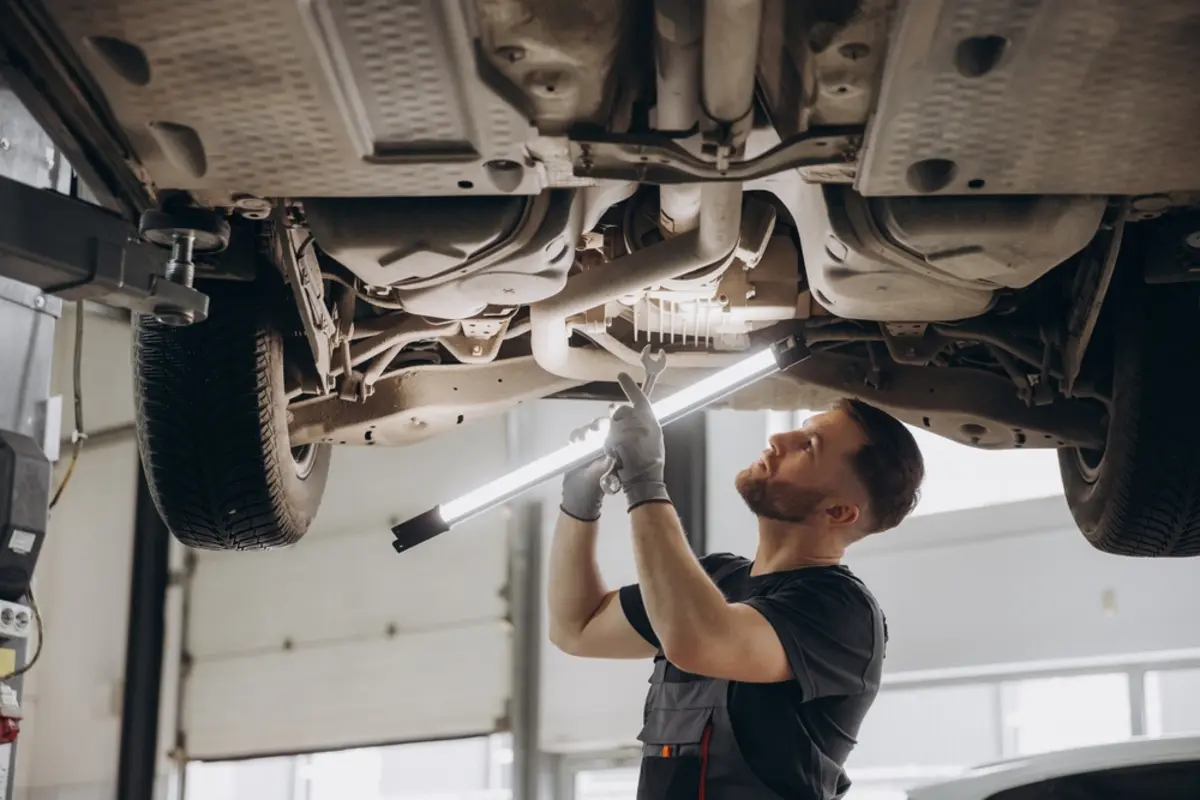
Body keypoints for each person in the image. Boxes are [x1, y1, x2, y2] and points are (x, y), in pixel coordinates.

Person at [547, 373, 926, 800]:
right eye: (799, 430)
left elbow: (698, 640)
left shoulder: (841, 612)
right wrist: (579, 503)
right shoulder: (716, 581)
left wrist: (645, 484)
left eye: (808, 445)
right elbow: (576, 627)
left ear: (838, 512)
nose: (780, 438)